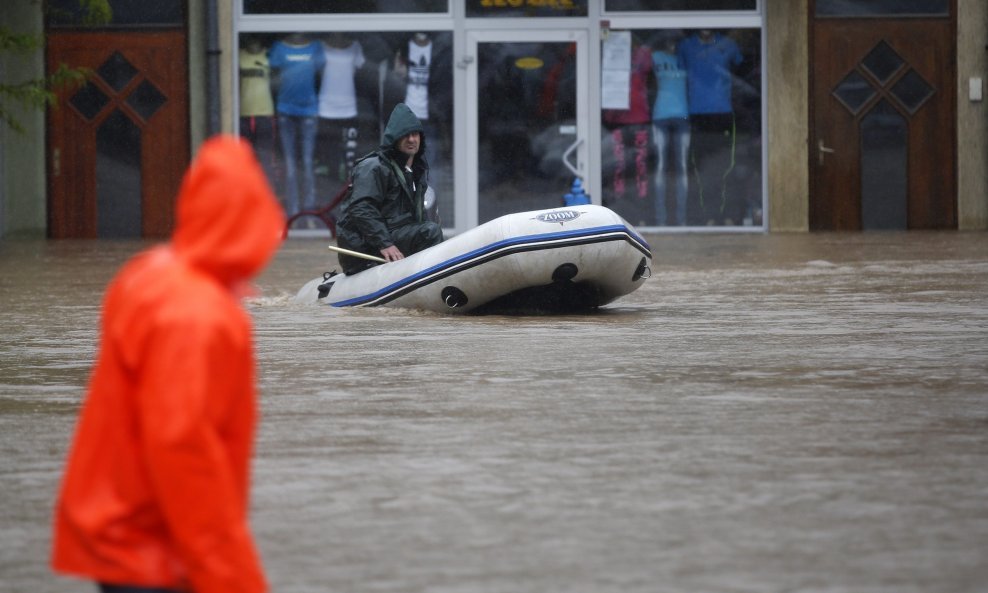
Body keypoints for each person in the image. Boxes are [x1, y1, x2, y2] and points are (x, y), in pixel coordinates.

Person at [51, 136, 285, 593]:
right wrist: (234, 579)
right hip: (153, 549)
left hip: (120, 528)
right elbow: (184, 451)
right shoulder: (199, 315)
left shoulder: (148, 275)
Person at [335, 102, 443, 275]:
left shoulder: (416, 171)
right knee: (429, 232)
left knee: (429, 227)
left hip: (393, 237)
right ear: (394, 139)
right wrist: (385, 244)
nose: (411, 139)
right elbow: (361, 209)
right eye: (405, 135)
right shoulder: (374, 167)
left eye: (415, 134)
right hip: (366, 247)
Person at [678, 29, 743, 225]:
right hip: (697, 113)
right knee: (701, 170)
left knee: (726, 166)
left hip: (723, 112)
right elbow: (680, 71)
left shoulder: (728, 44)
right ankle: (707, 217)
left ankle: (729, 216)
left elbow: (742, 66)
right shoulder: (686, 46)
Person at [269, 32, 325, 217]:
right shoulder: (279, 48)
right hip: (285, 109)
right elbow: (274, 79)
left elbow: (319, 75)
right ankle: (292, 211)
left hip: (309, 110)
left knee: (308, 162)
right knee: (290, 163)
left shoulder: (316, 47)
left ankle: (308, 209)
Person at [651, 31, 690, 226]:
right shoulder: (655, 57)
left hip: (683, 115)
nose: (672, 44)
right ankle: (660, 220)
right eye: (669, 40)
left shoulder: (687, 59)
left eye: (676, 40)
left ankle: (681, 220)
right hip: (660, 116)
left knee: (682, 167)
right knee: (660, 167)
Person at [317, 32, 365, 183]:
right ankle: (331, 191)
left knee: (349, 154)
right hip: (326, 107)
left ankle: (348, 190)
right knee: (330, 153)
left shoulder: (355, 47)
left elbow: (360, 68)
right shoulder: (321, 46)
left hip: (348, 107)